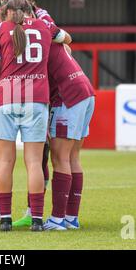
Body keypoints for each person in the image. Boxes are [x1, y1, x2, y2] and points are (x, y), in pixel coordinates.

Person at [0, 0, 52, 231]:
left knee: (5, 161)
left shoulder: (0, 30)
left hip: (6, 96)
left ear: (6, 12)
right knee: (34, 161)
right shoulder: (45, 27)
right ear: (30, 10)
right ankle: (36, 220)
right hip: (36, 98)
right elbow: (65, 38)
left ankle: (5, 219)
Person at [44, 42, 95, 231]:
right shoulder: (51, 35)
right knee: (73, 157)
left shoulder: (35, 39)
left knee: (59, 157)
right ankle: (71, 217)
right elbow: (67, 46)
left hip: (68, 97)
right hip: (86, 92)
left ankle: (57, 219)